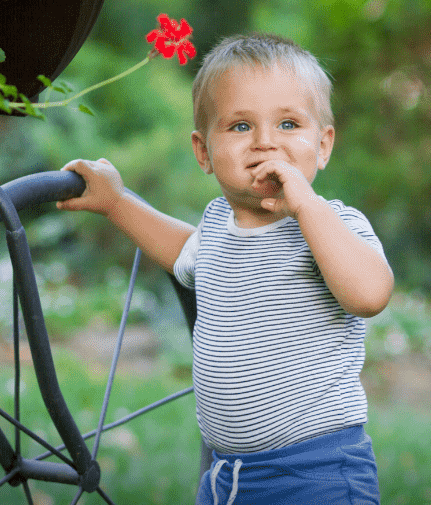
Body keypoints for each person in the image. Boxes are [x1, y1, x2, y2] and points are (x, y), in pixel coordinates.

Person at [56, 33, 394, 505]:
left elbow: (369, 293)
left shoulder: (332, 224)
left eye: (289, 123)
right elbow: (181, 251)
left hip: (317, 474)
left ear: (323, 144)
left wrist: (306, 206)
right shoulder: (216, 226)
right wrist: (117, 203)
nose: (265, 142)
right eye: (240, 127)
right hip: (227, 477)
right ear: (203, 152)